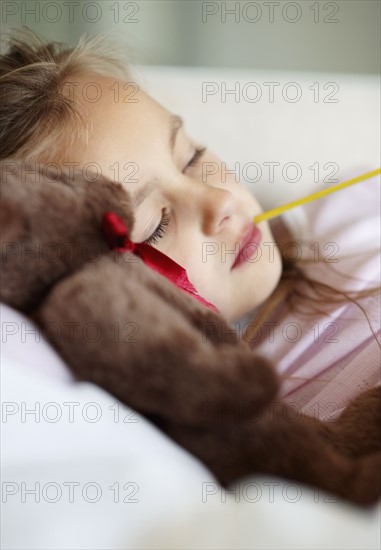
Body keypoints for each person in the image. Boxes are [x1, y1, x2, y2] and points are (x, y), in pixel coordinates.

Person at [1, 27, 380, 420]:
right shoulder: (238, 416)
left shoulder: (349, 210)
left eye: (192, 158)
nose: (220, 201)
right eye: (156, 226)